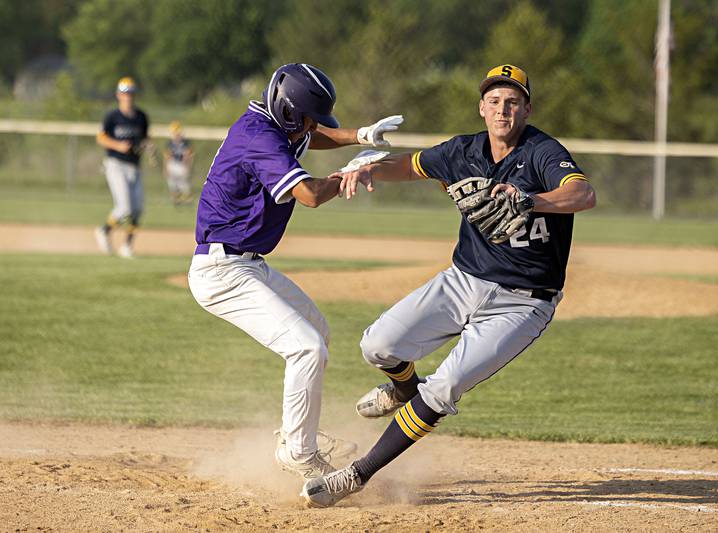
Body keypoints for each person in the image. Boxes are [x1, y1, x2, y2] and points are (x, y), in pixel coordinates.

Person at [301, 64, 597, 507]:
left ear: (527, 109)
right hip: (463, 280)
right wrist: (369, 169)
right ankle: (403, 390)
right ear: (482, 108)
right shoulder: (464, 152)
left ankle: (357, 475)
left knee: (445, 386)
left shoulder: (541, 152)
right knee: (378, 345)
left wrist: (531, 199)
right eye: (495, 101)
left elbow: (583, 193)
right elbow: (413, 166)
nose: (503, 110)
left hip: (522, 301)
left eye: (513, 102)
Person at [187, 63, 403, 481]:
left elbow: (313, 135)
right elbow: (307, 195)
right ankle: (300, 455)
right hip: (221, 271)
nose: (309, 127)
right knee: (306, 348)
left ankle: (295, 435)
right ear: (288, 112)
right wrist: (348, 173)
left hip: (247, 263)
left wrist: (358, 136)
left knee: (316, 331)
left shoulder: (273, 126)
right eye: (305, 118)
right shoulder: (260, 138)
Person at [94, 76, 149, 259]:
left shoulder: (141, 117)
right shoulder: (113, 117)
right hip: (116, 164)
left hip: (134, 167)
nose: (128, 97)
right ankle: (104, 230)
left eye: (131, 93)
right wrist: (118, 145)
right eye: (125, 93)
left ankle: (127, 247)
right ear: (118, 95)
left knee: (137, 209)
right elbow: (101, 137)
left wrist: (147, 146)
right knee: (124, 208)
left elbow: (144, 139)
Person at [163, 121, 194, 206]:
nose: (176, 134)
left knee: (184, 183)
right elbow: (167, 156)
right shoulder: (170, 143)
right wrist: (166, 168)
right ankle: (176, 199)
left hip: (182, 164)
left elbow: (189, 155)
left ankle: (188, 199)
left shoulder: (185, 142)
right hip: (172, 163)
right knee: (172, 183)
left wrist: (188, 165)